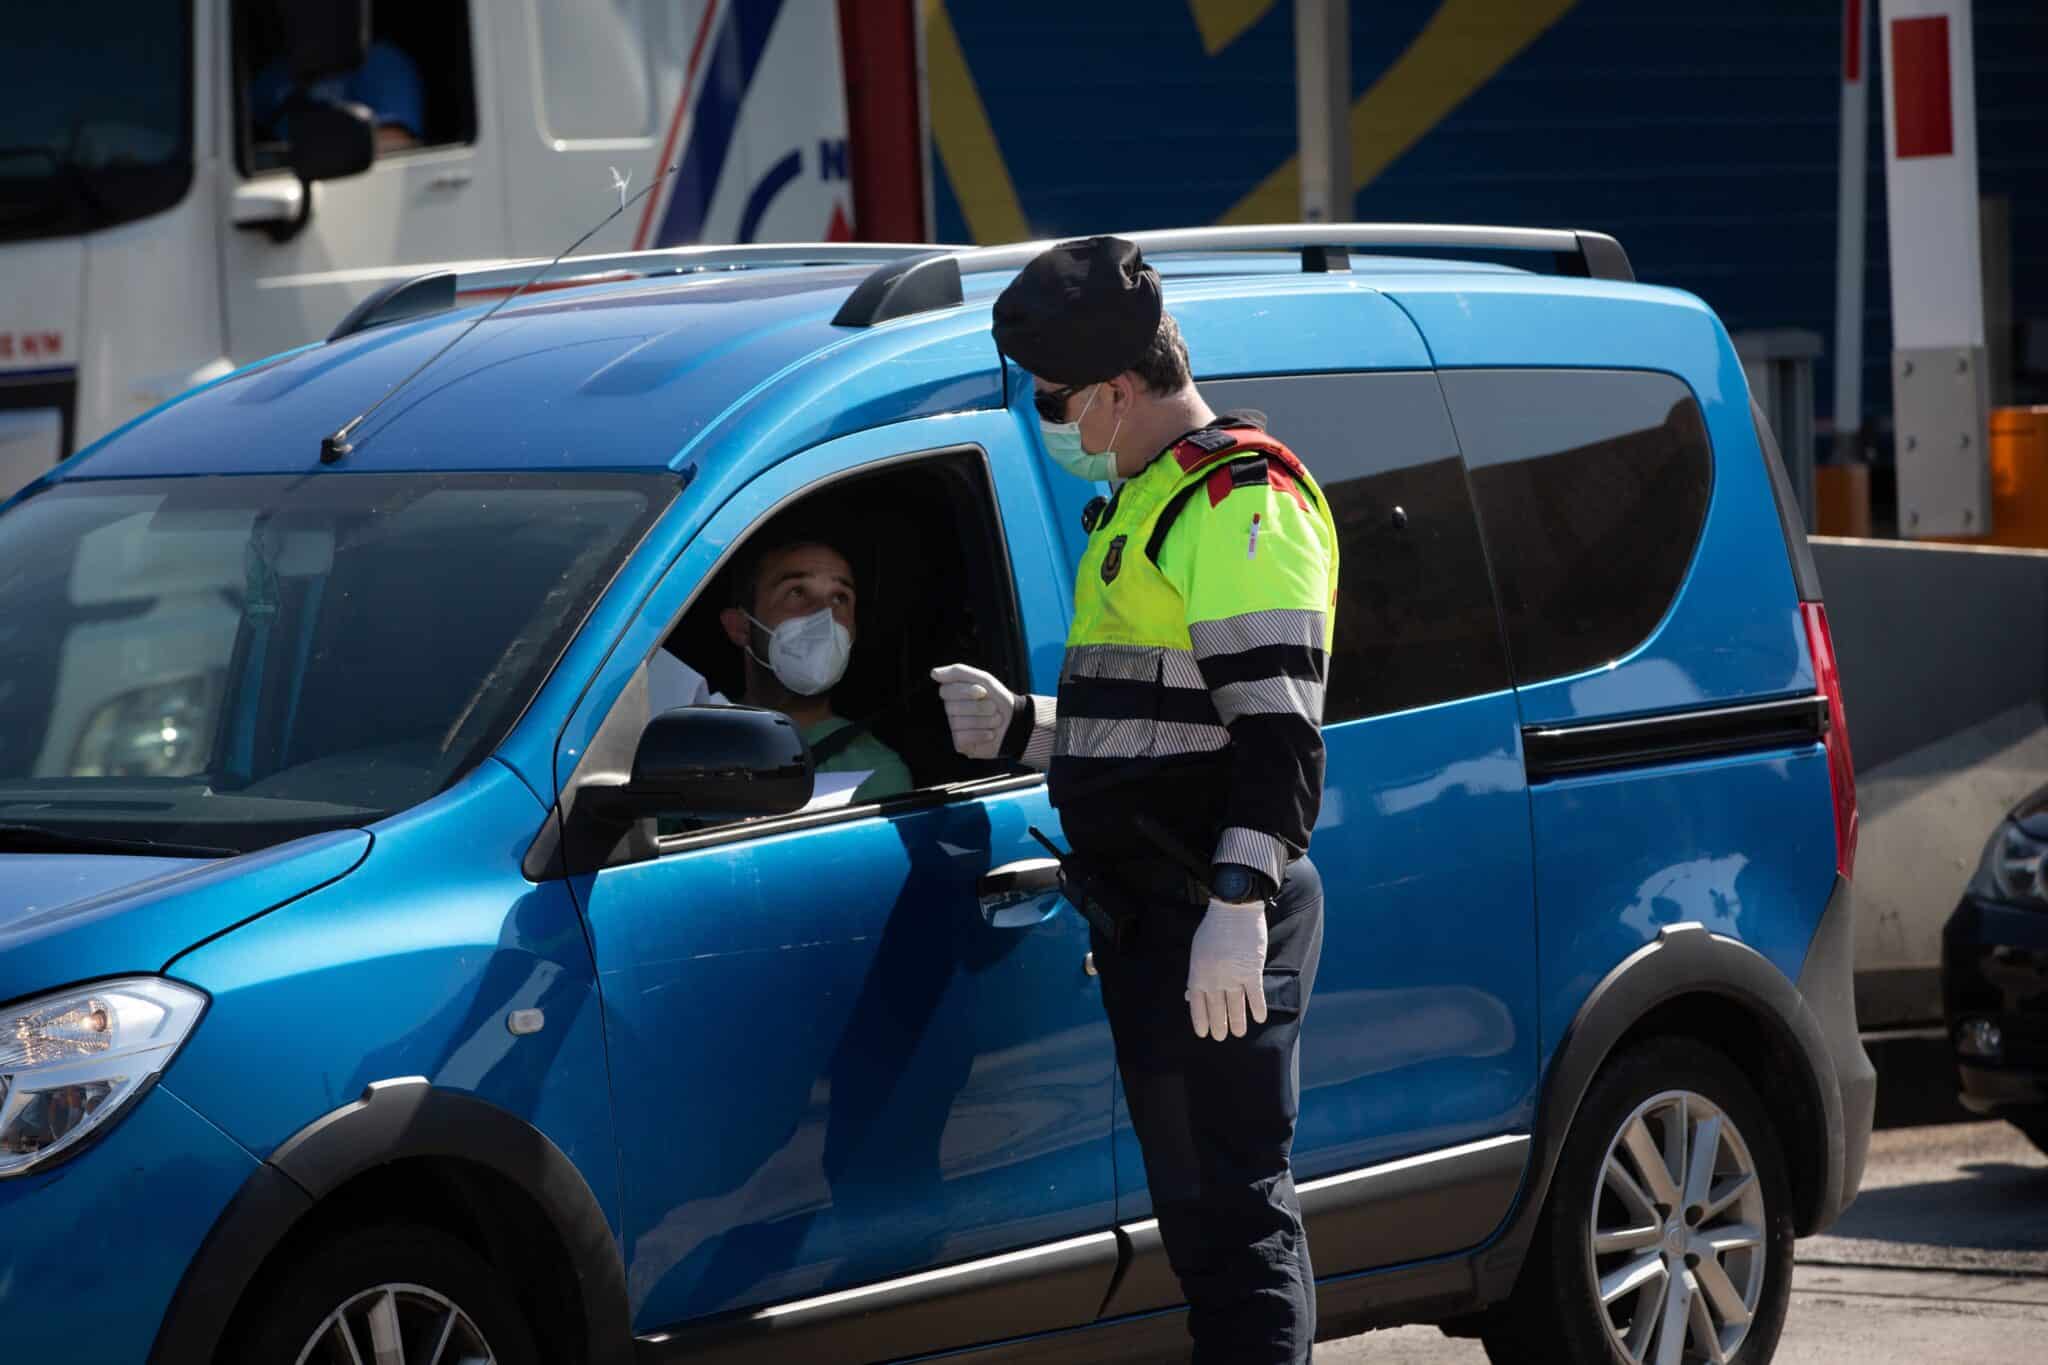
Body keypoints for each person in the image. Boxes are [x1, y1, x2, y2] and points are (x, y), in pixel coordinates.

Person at [932, 237, 1339, 1363]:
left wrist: (1237, 901)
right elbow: (1169, 717)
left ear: (1117, 390)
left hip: (1213, 917)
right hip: (1156, 919)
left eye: (1054, 398)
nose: (1045, 417)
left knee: (1237, 1215)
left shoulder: (1238, 502)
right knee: (1199, 1225)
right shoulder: (1143, 497)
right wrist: (1026, 726)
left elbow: (1276, 736)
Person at [722, 535, 911, 804]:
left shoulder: (878, 772)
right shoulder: (691, 750)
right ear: (740, 627)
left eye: (839, 598)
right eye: (797, 592)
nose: (824, 615)